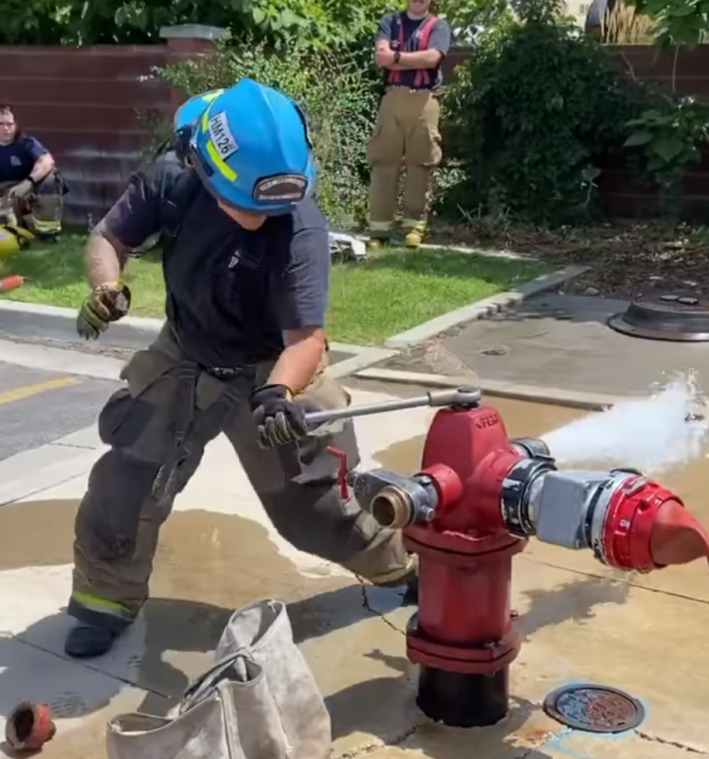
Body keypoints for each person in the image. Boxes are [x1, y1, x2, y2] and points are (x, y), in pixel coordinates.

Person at [65, 78, 417, 659]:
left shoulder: (299, 224)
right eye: (246, 205)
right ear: (205, 169)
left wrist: (279, 393)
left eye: (270, 207)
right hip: (184, 352)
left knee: (316, 511)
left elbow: (306, 339)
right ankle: (104, 599)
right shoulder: (170, 181)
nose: (260, 216)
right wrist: (105, 284)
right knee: (124, 485)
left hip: (273, 365)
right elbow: (108, 237)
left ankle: (399, 563)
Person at [368, 0, 452, 250]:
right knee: (384, 162)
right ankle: (379, 230)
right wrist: (412, 59)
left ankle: (413, 228)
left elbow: (432, 58)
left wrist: (396, 57)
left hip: (425, 99)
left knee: (420, 164)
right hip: (392, 97)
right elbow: (381, 59)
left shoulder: (439, 26)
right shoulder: (390, 22)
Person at [0, 103, 68, 242]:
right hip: (6, 192)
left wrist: (28, 182)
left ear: (16, 124)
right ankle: (22, 225)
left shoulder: (27, 143)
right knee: (6, 225)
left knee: (51, 179)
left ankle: (48, 233)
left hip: (30, 186)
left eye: (9, 124)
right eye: (1, 124)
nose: (6, 128)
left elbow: (47, 161)